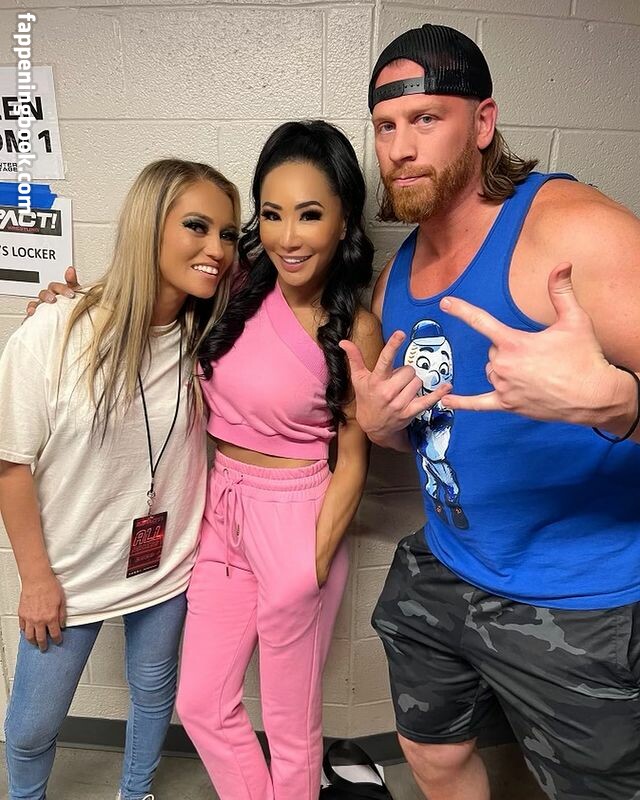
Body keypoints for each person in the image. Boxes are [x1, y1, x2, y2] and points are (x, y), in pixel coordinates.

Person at [28, 121, 383, 800]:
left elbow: (354, 462)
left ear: (343, 222)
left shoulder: (354, 327)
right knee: (201, 705)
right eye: (272, 214)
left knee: (290, 725)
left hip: (299, 517)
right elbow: (151, 289)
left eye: (310, 215)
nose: (287, 236)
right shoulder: (236, 288)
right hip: (222, 511)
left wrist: (308, 565)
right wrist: (67, 308)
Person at [340, 23, 640, 800]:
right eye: (385, 126)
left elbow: (617, 405)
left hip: (579, 597)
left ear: (482, 123)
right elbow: (445, 428)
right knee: (430, 753)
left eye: (425, 118)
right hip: (448, 563)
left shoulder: (573, 230)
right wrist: (384, 429)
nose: (401, 148)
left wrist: (621, 406)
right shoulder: (401, 270)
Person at [0, 158, 241, 800]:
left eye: (227, 234)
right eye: (197, 226)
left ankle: (136, 793)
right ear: (147, 226)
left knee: (154, 692)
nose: (217, 249)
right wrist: (36, 580)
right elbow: (11, 463)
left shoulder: (209, 335)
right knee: (30, 727)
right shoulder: (54, 332)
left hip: (166, 563)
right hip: (68, 575)